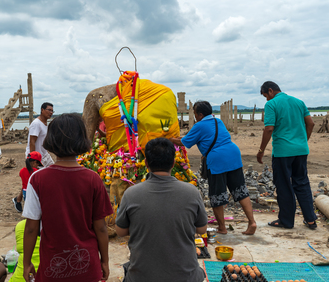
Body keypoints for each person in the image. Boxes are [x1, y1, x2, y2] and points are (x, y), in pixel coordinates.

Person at [22, 113, 113, 282]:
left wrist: (27, 262)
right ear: (82, 140)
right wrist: (105, 261)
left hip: (53, 268)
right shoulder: (93, 179)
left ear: (50, 141)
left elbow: (31, 228)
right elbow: (100, 228)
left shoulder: (37, 179)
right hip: (87, 265)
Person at [115, 138, 208, 282]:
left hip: (141, 277)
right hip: (184, 277)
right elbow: (202, 229)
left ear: (146, 163)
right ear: (172, 163)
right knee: (199, 272)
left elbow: (120, 231)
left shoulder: (131, 193)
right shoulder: (191, 192)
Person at [170, 101, 257, 235]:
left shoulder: (199, 125)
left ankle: (222, 228)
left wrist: (168, 139)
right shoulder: (219, 122)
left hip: (217, 159)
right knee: (240, 190)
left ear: (200, 114)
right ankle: (252, 222)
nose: (194, 117)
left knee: (217, 195)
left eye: (194, 114)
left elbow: (183, 142)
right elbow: (191, 138)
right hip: (233, 155)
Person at [257, 81, 317, 229]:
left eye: (266, 96)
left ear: (270, 91)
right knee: (302, 183)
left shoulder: (272, 104)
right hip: (301, 150)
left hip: (282, 152)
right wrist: (303, 140)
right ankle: (311, 220)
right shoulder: (298, 102)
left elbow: (269, 129)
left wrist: (261, 150)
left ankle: (286, 221)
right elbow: (311, 123)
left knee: (284, 185)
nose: (266, 99)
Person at [25, 102, 54, 167]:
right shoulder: (36, 123)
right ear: (42, 110)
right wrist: (33, 160)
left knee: (55, 172)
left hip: (45, 155)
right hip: (36, 158)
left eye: (52, 111)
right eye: (49, 110)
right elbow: (32, 141)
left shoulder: (45, 124)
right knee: (40, 176)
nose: (51, 112)